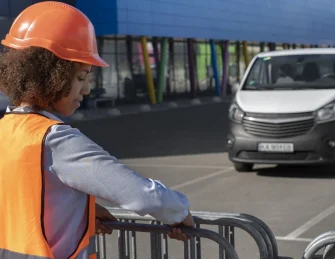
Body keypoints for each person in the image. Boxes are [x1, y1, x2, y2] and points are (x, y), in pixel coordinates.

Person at [0, 2, 195, 259]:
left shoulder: (5, 130)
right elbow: (140, 194)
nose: (87, 89)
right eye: (81, 77)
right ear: (51, 75)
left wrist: (82, 209)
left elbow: (23, 200)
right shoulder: (55, 140)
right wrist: (180, 212)